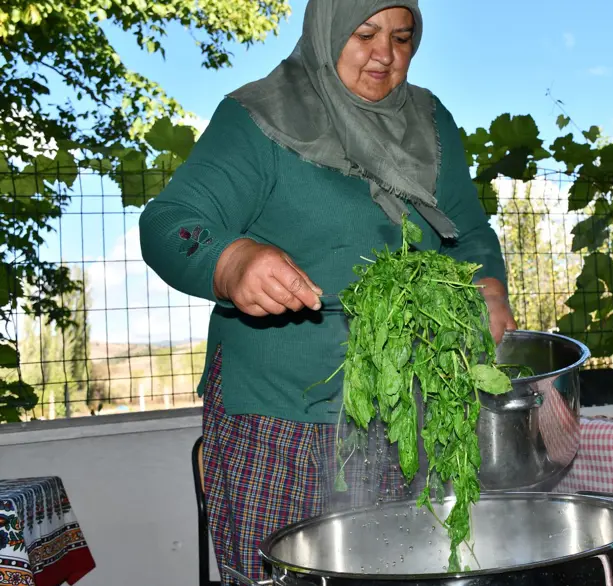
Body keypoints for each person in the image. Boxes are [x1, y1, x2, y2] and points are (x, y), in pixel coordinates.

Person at [139, 0, 516, 582]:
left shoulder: (431, 122)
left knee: (409, 566)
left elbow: (466, 231)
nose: (385, 54)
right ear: (327, 31)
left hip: (407, 406)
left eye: (403, 37)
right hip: (282, 414)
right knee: (288, 572)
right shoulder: (259, 118)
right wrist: (231, 259)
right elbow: (171, 222)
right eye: (365, 33)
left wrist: (488, 283)